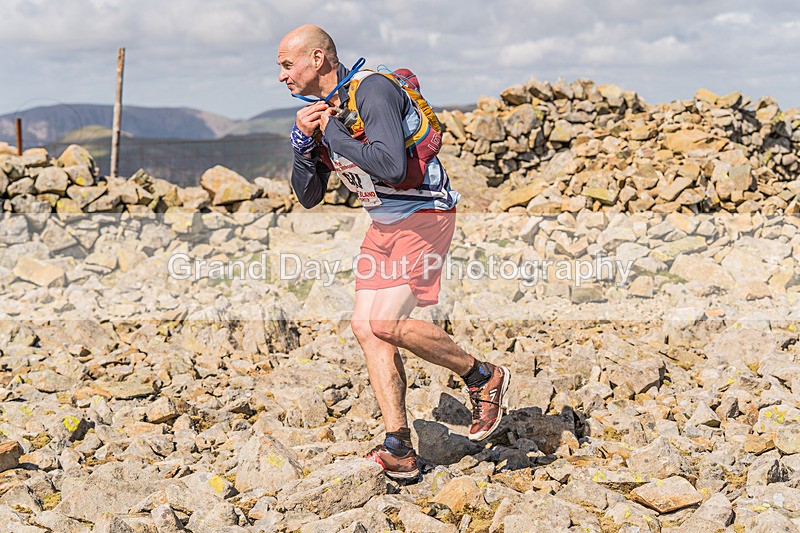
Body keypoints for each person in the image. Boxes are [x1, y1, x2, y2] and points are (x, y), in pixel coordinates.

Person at [277, 24, 511, 481]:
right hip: (383, 224)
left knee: (386, 322)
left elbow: (390, 164)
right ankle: (398, 446)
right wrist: (304, 149)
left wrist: (331, 135)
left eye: (287, 65)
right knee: (367, 329)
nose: (281, 77)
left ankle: (483, 376)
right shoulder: (323, 111)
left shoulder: (374, 92)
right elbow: (308, 197)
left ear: (318, 59)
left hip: (426, 214)